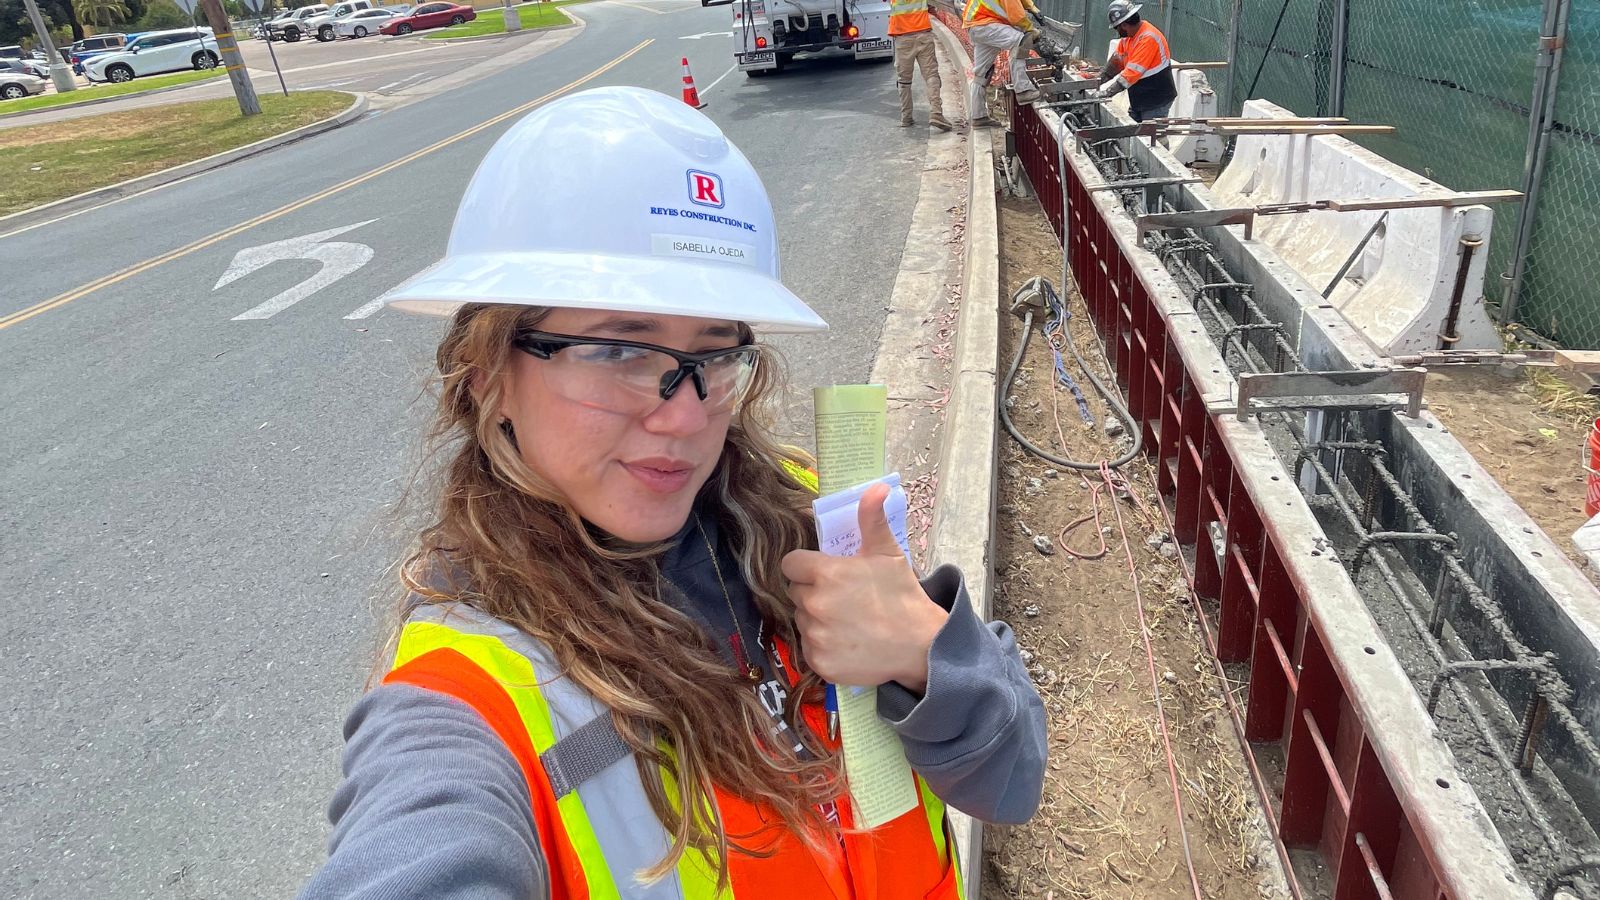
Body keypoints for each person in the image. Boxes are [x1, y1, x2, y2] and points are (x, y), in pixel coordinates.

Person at [298, 85, 1047, 899]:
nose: (685, 416)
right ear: (488, 374)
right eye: (619, 352)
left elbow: (1011, 782)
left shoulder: (804, 523)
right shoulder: (468, 698)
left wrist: (930, 659)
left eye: (716, 355)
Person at [1091, 0, 1177, 122]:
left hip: (1156, 99)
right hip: (1141, 97)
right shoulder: (1129, 37)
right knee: (1134, 131)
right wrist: (1097, 81)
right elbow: (1117, 62)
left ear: (1124, 24)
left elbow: (1131, 74)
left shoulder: (1148, 38)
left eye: (1117, 27)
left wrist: (1107, 92)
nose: (1117, 31)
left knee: (1152, 137)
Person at [962, 0, 1043, 127]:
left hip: (977, 25)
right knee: (1022, 41)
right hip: (986, 23)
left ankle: (978, 116)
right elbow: (1017, 16)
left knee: (981, 74)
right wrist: (1030, 29)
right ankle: (1023, 90)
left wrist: (1032, 7)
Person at [890, 0, 952, 131]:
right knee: (931, 75)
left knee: (904, 81)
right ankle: (936, 112)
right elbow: (933, 6)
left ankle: (906, 117)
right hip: (923, 34)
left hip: (903, 38)